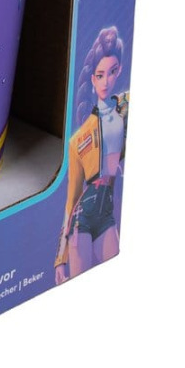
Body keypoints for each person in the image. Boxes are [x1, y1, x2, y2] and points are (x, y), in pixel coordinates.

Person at [55, 26, 129, 283]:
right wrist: (60, 259)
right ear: (92, 79)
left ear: (120, 70)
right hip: (82, 217)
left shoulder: (125, 110)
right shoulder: (79, 138)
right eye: (100, 75)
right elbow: (71, 198)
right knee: (79, 285)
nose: (106, 81)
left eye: (112, 72)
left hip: (107, 211)